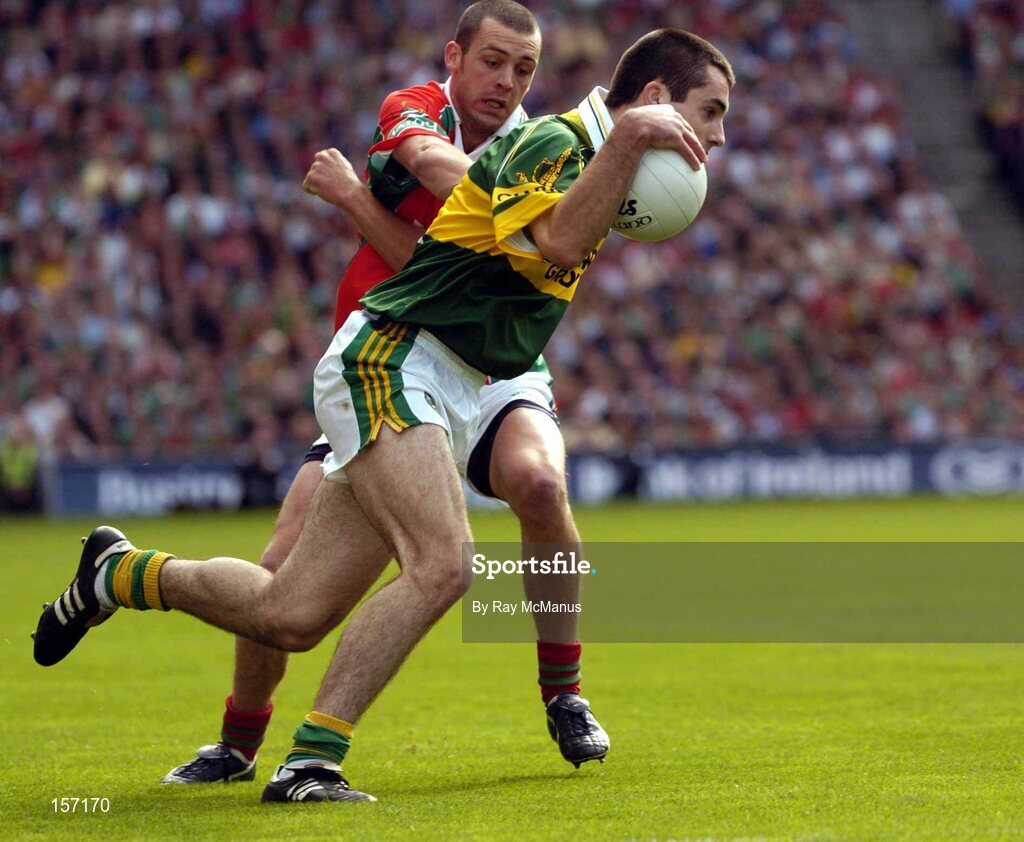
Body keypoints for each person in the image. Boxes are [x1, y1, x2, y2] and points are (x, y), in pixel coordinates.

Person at [34, 27, 733, 804]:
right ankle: (311, 762)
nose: (717, 135)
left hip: (447, 382)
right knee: (445, 564)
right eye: (711, 111)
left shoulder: (594, 156)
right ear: (656, 97)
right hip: (395, 360)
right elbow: (561, 239)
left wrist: (630, 149)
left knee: (289, 613)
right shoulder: (557, 141)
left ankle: (116, 573)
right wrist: (631, 137)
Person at [154, 0, 604, 786]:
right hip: (395, 361)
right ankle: (238, 742)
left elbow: (446, 265)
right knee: (283, 574)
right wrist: (521, 209)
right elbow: (429, 217)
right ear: (454, 57)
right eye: (492, 61)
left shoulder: (540, 147)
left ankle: (563, 691)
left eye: (524, 69)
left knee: (539, 483)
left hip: (491, 367)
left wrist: (355, 201)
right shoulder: (415, 109)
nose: (506, 81)